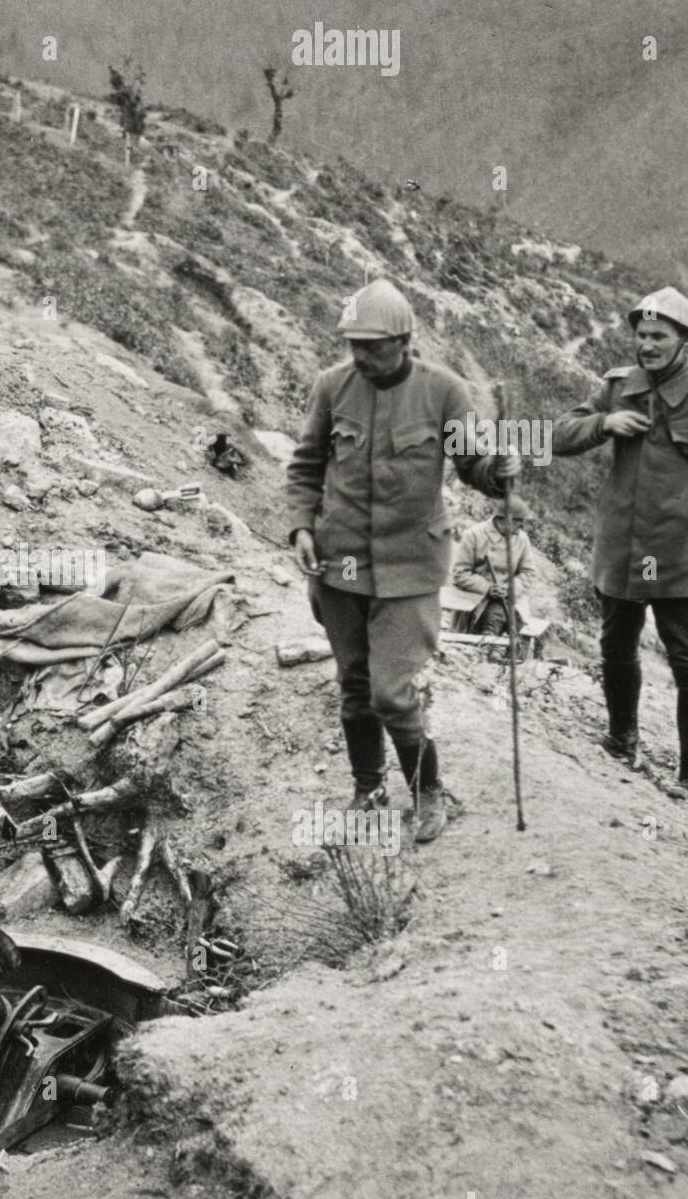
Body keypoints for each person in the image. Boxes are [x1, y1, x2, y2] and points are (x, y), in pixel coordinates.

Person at [285, 279, 520, 841]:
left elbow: (472, 466)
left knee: (392, 690)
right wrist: (299, 526)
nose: (359, 356)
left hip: (411, 566)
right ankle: (368, 787)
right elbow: (305, 466)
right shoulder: (331, 387)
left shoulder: (444, 392)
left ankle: (427, 791)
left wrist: (497, 472)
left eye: (371, 346)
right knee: (354, 684)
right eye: (352, 345)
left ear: (403, 340)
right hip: (340, 563)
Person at [551, 286, 688, 790]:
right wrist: (604, 423)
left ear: (683, 340)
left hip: (679, 551)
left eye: (660, 336)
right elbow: (560, 435)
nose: (647, 345)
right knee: (616, 646)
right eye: (642, 335)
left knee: (686, 660)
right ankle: (620, 740)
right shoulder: (617, 386)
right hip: (623, 546)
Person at [452, 495, 539, 637]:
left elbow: (528, 572)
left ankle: (503, 648)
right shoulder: (474, 535)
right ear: (504, 519)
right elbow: (459, 573)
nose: (522, 525)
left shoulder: (522, 539)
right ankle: (492, 646)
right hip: (478, 599)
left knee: (521, 627)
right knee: (492, 619)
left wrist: (511, 588)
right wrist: (488, 588)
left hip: (510, 598)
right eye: (519, 521)